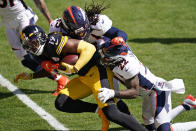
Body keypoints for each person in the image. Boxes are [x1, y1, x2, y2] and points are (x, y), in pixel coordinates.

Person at [14, 24, 148, 131]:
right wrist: (31, 76)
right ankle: (98, 110)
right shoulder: (38, 55)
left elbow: (89, 48)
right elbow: (51, 68)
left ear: (42, 37)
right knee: (61, 102)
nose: (32, 47)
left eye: (33, 43)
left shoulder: (54, 42)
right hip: (84, 77)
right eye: (28, 46)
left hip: (97, 70)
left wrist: (76, 67)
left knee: (112, 112)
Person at [97, 36, 196, 131]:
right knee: (150, 128)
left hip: (157, 92)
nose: (103, 55)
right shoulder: (121, 53)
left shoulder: (128, 66)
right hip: (147, 93)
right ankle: (187, 104)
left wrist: (112, 93)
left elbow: (134, 93)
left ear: (118, 58)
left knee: (163, 129)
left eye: (107, 54)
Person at [0, 0, 69, 95]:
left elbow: (38, 1)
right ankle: (60, 77)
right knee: (24, 59)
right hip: (7, 22)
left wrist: (49, 19)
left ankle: (62, 69)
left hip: (22, 17)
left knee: (34, 50)